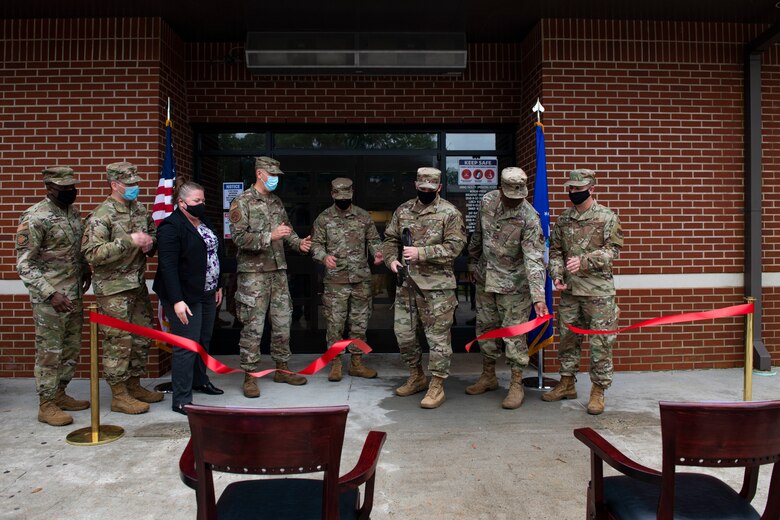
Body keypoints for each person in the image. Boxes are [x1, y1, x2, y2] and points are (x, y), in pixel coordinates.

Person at [81, 161, 163, 414]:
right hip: (113, 289)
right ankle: (119, 395)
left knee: (141, 336)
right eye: (129, 184)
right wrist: (128, 241)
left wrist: (150, 244)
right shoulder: (101, 215)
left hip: (136, 285)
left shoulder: (139, 210)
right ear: (115, 185)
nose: (135, 188)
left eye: (136, 183)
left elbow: (151, 234)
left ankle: (134, 385)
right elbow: (92, 254)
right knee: (119, 341)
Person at [228, 156, 312, 397]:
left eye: (277, 175)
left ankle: (282, 369)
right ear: (259, 174)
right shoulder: (241, 202)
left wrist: (299, 244)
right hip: (253, 276)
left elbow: (286, 231)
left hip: (278, 273)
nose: (275, 179)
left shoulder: (276, 202)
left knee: (282, 323)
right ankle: (250, 376)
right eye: (271, 174)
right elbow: (239, 238)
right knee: (253, 327)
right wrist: (269, 236)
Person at [382, 167, 466, 409]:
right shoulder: (404, 210)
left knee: (438, 339)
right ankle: (416, 375)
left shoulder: (449, 213)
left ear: (439, 188)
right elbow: (390, 239)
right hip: (407, 285)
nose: (426, 192)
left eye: (430, 189)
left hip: (437, 289)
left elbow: (454, 247)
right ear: (416, 186)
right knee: (404, 335)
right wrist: (391, 260)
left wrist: (422, 253)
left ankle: (437, 385)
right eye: (422, 189)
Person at [465, 167, 548, 409]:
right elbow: (478, 236)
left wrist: (538, 297)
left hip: (514, 285)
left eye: (518, 197)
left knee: (514, 336)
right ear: (501, 189)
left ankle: (516, 383)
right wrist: (472, 262)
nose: (514, 201)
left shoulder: (530, 218)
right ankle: (488, 376)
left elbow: (534, 258)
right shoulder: (487, 201)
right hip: (485, 279)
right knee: (485, 329)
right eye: (510, 196)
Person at [543, 168, 623, 415]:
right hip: (570, 292)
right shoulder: (564, 219)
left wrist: (585, 260)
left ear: (592, 188)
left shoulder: (607, 217)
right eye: (571, 188)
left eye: (578, 188)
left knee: (600, 343)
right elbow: (555, 251)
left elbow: (613, 251)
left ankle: (598, 390)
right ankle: (567, 383)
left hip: (598, 293)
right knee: (567, 339)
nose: (573, 192)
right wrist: (556, 275)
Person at [16, 167, 92, 426]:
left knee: (70, 348)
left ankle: (60, 392)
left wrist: (85, 269)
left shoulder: (73, 213)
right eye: (65, 188)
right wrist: (50, 294)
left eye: (73, 186)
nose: (71, 191)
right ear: (50, 188)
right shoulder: (35, 217)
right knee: (50, 351)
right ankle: (46, 403)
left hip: (73, 294)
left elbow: (76, 248)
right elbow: (25, 264)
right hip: (51, 298)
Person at [153, 181, 224, 415]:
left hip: (207, 291)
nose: (201, 205)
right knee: (186, 346)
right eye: (196, 201)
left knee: (203, 339)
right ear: (181, 203)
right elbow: (168, 267)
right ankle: (182, 398)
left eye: (203, 200)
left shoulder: (204, 222)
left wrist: (218, 284)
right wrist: (177, 300)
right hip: (184, 296)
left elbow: (214, 254)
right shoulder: (170, 227)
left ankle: (200, 380)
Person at [311, 178, 383, 382]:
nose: (343, 201)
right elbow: (316, 245)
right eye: (339, 197)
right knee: (335, 324)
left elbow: (374, 240)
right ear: (332, 195)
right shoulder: (323, 219)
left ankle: (357, 363)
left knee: (359, 324)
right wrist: (323, 257)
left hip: (360, 279)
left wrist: (378, 253)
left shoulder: (362, 216)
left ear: (352, 194)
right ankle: (335, 364)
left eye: (347, 197)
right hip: (335, 281)